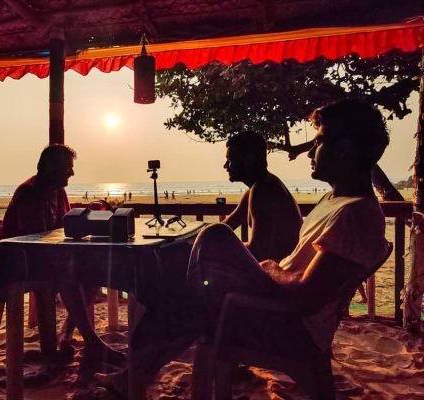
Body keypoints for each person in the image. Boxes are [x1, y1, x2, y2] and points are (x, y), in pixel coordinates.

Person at [100, 99, 390, 397]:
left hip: (282, 323)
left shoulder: (355, 214)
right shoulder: (333, 201)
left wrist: (270, 267)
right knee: (174, 298)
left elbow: (305, 295)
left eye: (318, 141)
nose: (310, 153)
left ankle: (133, 375)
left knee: (205, 248)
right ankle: (134, 370)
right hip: (266, 304)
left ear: (345, 149)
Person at [0, 144, 123, 365]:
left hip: (46, 256)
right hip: (18, 260)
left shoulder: (58, 192)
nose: (72, 173)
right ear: (52, 168)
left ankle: (67, 334)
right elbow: (36, 238)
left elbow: (64, 228)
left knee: (93, 276)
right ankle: (90, 343)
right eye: (68, 168)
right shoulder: (29, 192)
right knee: (67, 277)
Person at [221, 132, 302, 262]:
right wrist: (199, 238)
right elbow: (225, 227)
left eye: (230, 160)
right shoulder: (257, 187)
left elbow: (258, 251)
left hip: (280, 270)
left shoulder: (263, 190)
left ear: (248, 159)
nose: (225, 166)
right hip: (276, 266)